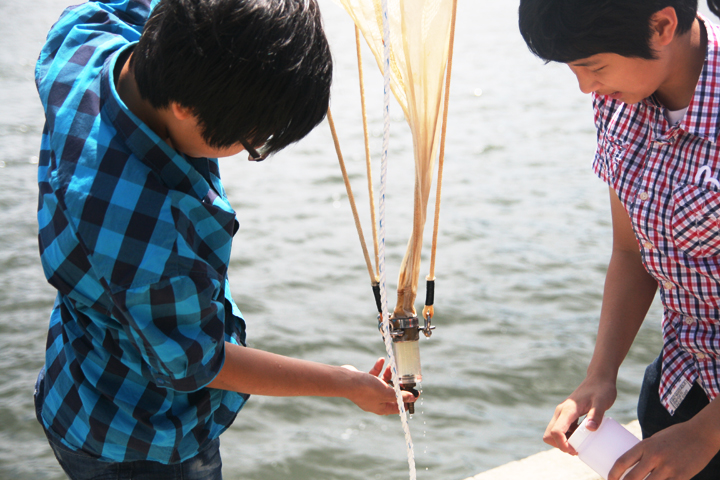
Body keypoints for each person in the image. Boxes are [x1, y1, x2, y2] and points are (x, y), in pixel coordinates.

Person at [33, 0, 417, 478]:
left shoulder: (86, 38)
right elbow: (200, 362)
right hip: (138, 439)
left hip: (75, 381)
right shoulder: (152, 241)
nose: (244, 153)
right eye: (249, 143)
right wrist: (347, 383)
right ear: (183, 106)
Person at [518, 1, 720, 479]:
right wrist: (600, 374)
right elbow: (632, 252)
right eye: (573, 69)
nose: (586, 86)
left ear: (662, 25)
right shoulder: (618, 100)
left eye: (593, 66)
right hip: (680, 380)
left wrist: (706, 434)